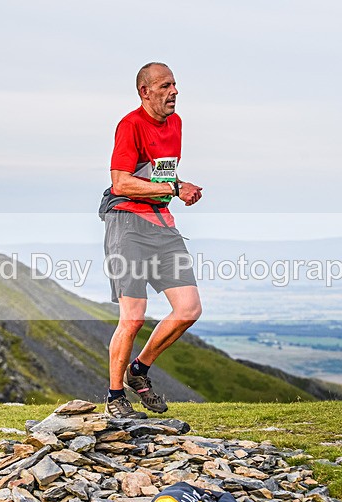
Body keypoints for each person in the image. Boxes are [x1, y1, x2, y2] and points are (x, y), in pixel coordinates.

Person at [101, 62, 203, 419]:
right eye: (164, 86)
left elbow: (160, 174)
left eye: (175, 84)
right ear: (144, 92)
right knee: (133, 317)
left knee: (189, 308)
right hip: (127, 225)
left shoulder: (175, 124)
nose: (173, 92)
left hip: (162, 225)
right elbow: (121, 183)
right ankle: (115, 398)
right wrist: (174, 188)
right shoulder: (130, 125)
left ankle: (138, 371)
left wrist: (180, 187)